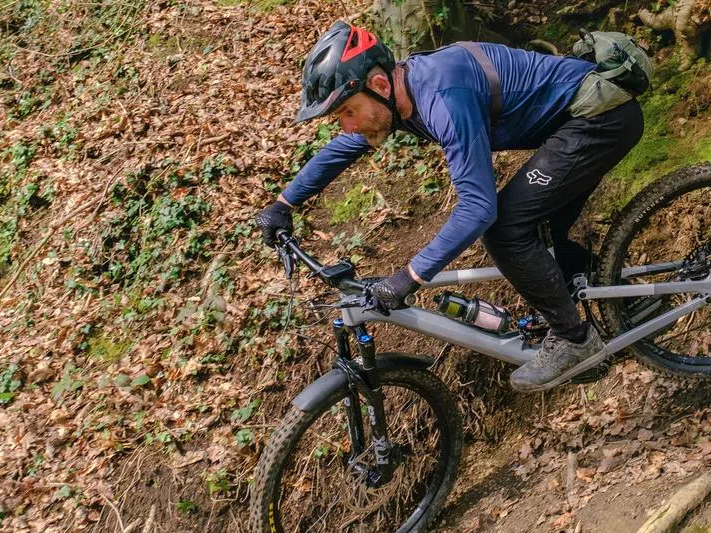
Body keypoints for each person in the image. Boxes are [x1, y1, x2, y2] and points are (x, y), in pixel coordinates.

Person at [256, 21, 643, 392]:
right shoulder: (395, 97)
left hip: (598, 120)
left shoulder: (442, 97)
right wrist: (284, 203)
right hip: (568, 127)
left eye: (346, 112)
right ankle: (624, 296)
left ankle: (574, 340)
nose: (347, 126)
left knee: (506, 228)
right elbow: (344, 148)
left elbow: (478, 208)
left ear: (377, 84)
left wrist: (408, 277)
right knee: (538, 230)